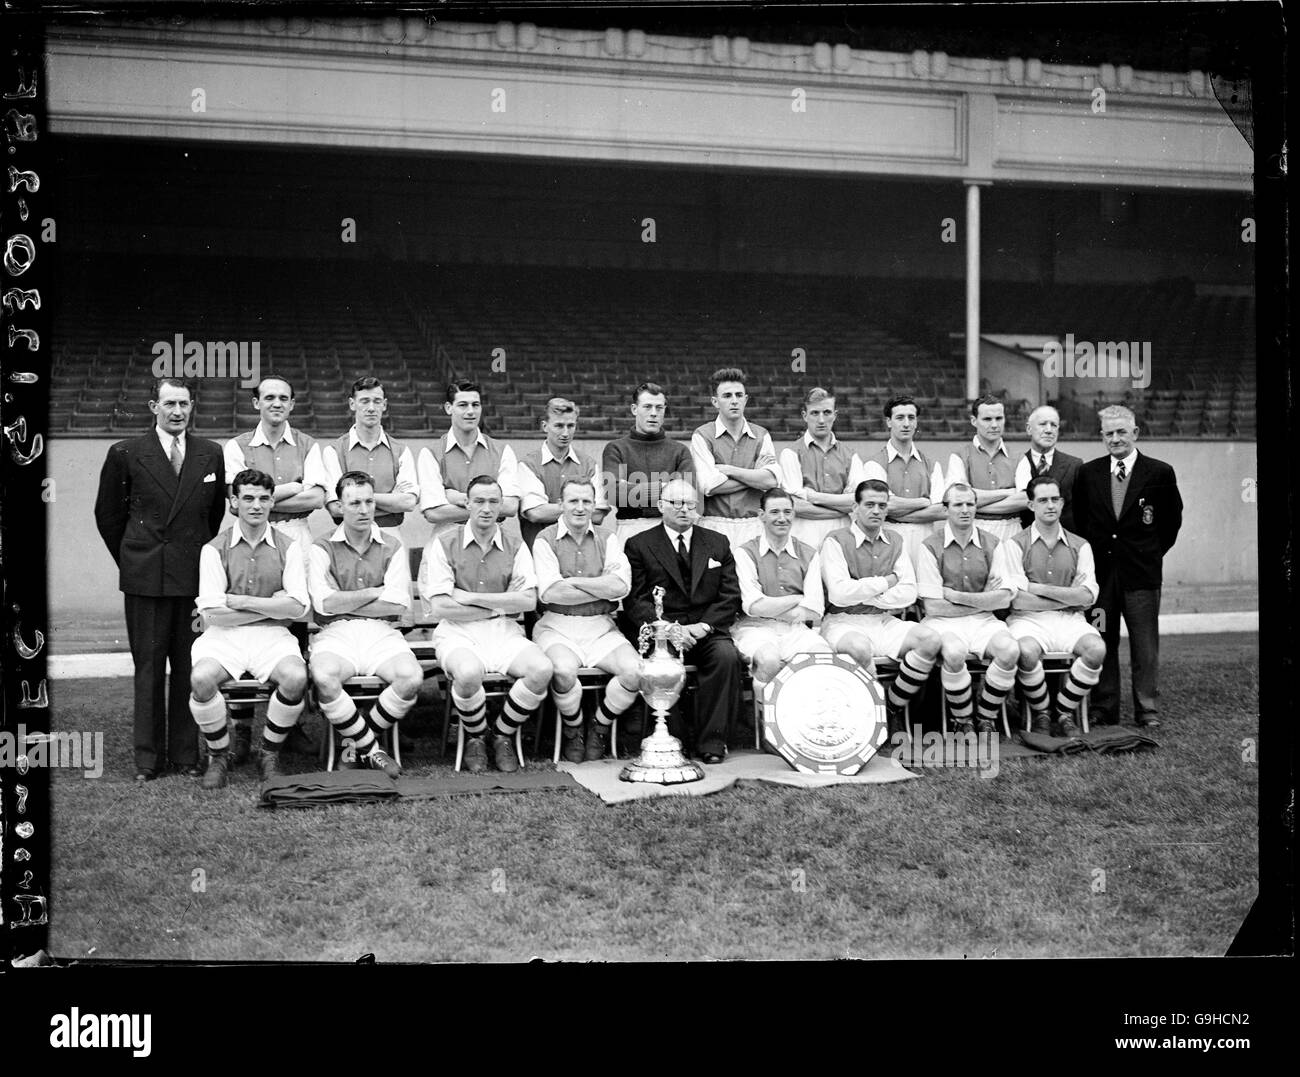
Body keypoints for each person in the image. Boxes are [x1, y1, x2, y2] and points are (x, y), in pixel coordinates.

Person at [94, 377, 227, 781]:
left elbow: (213, 515)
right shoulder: (126, 452)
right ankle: (147, 761)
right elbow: (109, 516)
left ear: (192, 407)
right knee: (148, 668)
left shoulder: (210, 453)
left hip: (191, 581)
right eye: (169, 403)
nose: (177, 411)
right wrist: (137, 559)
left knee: (188, 668)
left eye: (184, 404)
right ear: (154, 406)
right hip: (145, 579)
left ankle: (186, 757)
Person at [222, 374, 327, 762]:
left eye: (284, 397)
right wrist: (287, 489)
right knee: (248, 621)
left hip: (295, 537)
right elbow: (237, 503)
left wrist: (261, 497)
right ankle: (241, 729)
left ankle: (290, 724)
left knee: (293, 626)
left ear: (293, 404)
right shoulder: (237, 446)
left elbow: (316, 496)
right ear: (256, 403)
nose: (276, 403)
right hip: (250, 536)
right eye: (269, 397)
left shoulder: (308, 444)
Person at [419, 475, 552, 773]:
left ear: (501, 507)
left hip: (503, 632)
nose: (486, 508)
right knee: (467, 674)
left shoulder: (515, 545)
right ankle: (476, 735)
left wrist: (468, 598)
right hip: (457, 634)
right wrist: (500, 604)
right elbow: (441, 606)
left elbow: (528, 601)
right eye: (479, 501)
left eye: (493, 501)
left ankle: (502, 733)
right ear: (467, 504)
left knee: (541, 669)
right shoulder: (444, 543)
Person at [189, 469, 309, 788]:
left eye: (264, 498)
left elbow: (298, 608)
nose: (256, 505)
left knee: (296, 677)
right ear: (234, 502)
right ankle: (219, 755)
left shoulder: (290, 546)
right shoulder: (214, 548)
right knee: (201, 679)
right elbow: (213, 615)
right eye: (248, 498)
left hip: (272, 637)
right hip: (223, 637)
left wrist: (239, 601)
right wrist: (272, 607)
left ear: (272, 503)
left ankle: (268, 753)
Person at [1072, 405, 1183, 729]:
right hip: (1101, 578)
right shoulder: (1088, 473)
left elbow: (1170, 524)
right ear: (1101, 436)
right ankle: (1104, 707)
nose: (1116, 438)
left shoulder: (1160, 472)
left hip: (1141, 574)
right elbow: (1081, 521)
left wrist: (1146, 553)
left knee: (1144, 644)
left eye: (1122, 432)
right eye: (1109, 433)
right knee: (1101, 640)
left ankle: (1147, 709)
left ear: (1135, 433)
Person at [307, 471, 421, 778]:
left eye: (369, 501)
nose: (364, 509)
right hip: (335, 633)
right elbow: (323, 604)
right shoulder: (321, 547)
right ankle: (373, 749)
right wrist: (374, 591)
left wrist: (344, 598)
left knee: (410, 678)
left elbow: (397, 603)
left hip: (382, 632)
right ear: (340, 507)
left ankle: (353, 742)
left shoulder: (392, 545)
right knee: (325, 677)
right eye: (354, 502)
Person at [624, 479, 742, 764]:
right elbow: (635, 601)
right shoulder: (639, 545)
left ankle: (712, 741)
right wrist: (669, 630)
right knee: (658, 664)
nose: (684, 510)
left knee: (726, 657)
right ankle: (674, 740)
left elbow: (730, 595)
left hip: (705, 629)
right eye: (676, 503)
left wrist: (703, 627)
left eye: (691, 504)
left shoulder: (717, 542)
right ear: (661, 506)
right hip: (662, 633)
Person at [819, 479, 941, 737]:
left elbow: (908, 592)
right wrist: (885, 583)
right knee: (859, 648)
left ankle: (890, 708)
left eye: (881, 505)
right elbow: (839, 595)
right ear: (855, 508)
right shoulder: (835, 540)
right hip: (842, 621)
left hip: (883, 620)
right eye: (869, 504)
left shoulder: (895, 540)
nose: (876, 510)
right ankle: (871, 719)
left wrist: (868, 596)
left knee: (929, 639)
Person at [532, 479, 641, 762]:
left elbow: (620, 588)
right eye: (573, 501)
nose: (580, 508)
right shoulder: (545, 539)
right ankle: (573, 728)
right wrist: (598, 585)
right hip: (557, 625)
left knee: (634, 672)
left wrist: (574, 582)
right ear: (560, 505)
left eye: (586, 502)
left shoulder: (609, 538)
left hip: (601, 625)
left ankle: (599, 726)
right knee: (563, 672)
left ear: (594, 505)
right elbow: (551, 592)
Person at [998, 475, 1106, 738]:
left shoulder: (1081, 545)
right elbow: (1017, 599)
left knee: (1096, 650)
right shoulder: (1014, 545)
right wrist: (1068, 594)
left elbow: (1088, 597)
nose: (1050, 505)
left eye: (1055, 499)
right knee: (1025, 651)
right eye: (1043, 500)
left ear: (1062, 503)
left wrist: (1037, 588)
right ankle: (1042, 712)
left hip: (1070, 620)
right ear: (1031, 505)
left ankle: (1064, 711)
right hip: (1027, 620)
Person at [916, 482, 1019, 736]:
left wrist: (958, 596)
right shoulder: (929, 546)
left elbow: (1004, 600)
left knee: (1010, 650)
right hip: (941, 623)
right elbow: (933, 605)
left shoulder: (993, 543)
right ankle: (962, 721)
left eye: (970, 504)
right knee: (953, 652)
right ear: (946, 509)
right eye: (958, 504)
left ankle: (986, 716)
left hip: (984, 621)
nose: (965, 510)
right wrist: (983, 598)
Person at [732, 488, 830, 693]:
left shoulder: (809, 553)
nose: (782, 518)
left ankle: (805, 720)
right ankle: (765, 722)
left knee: (823, 657)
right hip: (754, 629)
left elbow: (815, 610)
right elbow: (754, 607)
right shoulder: (745, 553)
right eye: (775, 512)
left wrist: (771, 607)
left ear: (794, 514)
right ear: (761, 515)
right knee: (769, 661)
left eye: (787, 512)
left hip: (796, 630)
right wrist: (797, 598)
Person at [418, 380, 519, 541]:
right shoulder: (430, 453)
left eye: (475, 405)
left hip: (493, 539)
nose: (470, 411)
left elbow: (511, 506)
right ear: (448, 408)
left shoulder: (502, 451)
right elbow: (434, 512)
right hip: (445, 539)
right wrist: (490, 505)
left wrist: (455, 497)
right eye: (463, 405)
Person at [690, 367, 781, 546]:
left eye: (739, 395)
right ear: (715, 401)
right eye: (727, 396)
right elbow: (709, 485)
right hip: (714, 524)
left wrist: (731, 471)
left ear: (746, 399)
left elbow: (771, 482)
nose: (734, 401)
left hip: (754, 524)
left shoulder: (762, 435)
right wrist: (753, 474)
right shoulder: (701, 435)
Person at [322, 376, 419, 536]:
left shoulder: (401, 451)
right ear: (352, 404)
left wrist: (353, 499)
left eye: (377, 401)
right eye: (365, 401)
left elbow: (408, 502)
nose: (371, 408)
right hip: (348, 535)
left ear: (385, 405)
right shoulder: (334, 451)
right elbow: (335, 508)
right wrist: (391, 500)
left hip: (391, 534)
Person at [601, 381, 695, 542]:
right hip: (630, 530)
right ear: (634, 409)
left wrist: (631, 489)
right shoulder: (615, 448)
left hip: (671, 531)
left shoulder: (680, 450)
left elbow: (687, 494)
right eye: (647, 407)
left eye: (659, 408)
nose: (653, 413)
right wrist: (666, 488)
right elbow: (614, 494)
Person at [860, 394, 946, 568]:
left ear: (916, 422)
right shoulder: (874, 464)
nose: (906, 423)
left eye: (911, 418)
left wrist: (895, 508)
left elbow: (941, 510)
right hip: (888, 540)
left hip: (925, 540)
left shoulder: (931, 464)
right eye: (900, 418)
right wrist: (924, 502)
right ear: (889, 422)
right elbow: (883, 506)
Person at [518, 397, 609, 550]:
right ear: (545, 426)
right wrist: (583, 508)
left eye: (570, 425)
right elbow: (536, 513)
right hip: (541, 555)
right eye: (559, 426)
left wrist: (552, 510)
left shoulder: (589, 464)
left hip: (584, 554)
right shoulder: (528, 465)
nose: (565, 433)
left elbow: (599, 515)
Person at [778, 386, 865, 548]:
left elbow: (858, 501)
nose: (821, 420)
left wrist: (813, 497)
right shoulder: (790, 454)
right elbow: (796, 505)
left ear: (835, 415)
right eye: (815, 413)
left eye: (826, 412)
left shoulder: (851, 455)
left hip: (842, 531)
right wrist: (843, 507)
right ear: (805, 416)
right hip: (804, 532)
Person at [944, 394, 1027, 543]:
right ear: (974, 421)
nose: (994, 425)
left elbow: (1024, 499)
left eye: (999, 418)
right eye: (987, 419)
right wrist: (1009, 492)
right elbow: (958, 498)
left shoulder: (1019, 457)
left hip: (1011, 530)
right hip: (973, 529)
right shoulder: (959, 456)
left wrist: (974, 503)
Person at [1013, 405, 1082, 532]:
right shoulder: (1016, 463)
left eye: (1054, 425)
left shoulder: (1074, 465)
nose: (1049, 430)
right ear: (1029, 429)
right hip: (1026, 542)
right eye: (1043, 424)